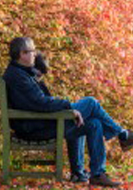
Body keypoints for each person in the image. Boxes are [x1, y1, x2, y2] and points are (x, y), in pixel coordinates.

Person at [3, 37, 133, 188]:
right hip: (34, 127)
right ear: (22, 54)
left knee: (94, 124)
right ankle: (123, 136)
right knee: (90, 102)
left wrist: (63, 105)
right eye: (32, 51)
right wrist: (68, 106)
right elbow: (41, 103)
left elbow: (40, 101)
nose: (35, 54)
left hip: (41, 123)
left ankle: (95, 174)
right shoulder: (17, 76)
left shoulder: (23, 73)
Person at [34, 51, 88, 183]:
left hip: (41, 122)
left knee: (79, 122)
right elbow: (44, 105)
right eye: (37, 74)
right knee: (77, 124)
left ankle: (78, 170)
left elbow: (47, 103)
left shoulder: (35, 83)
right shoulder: (30, 84)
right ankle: (77, 171)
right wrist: (66, 106)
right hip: (38, 125)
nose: (38, 78)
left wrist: (65, 107)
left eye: (41, 76)